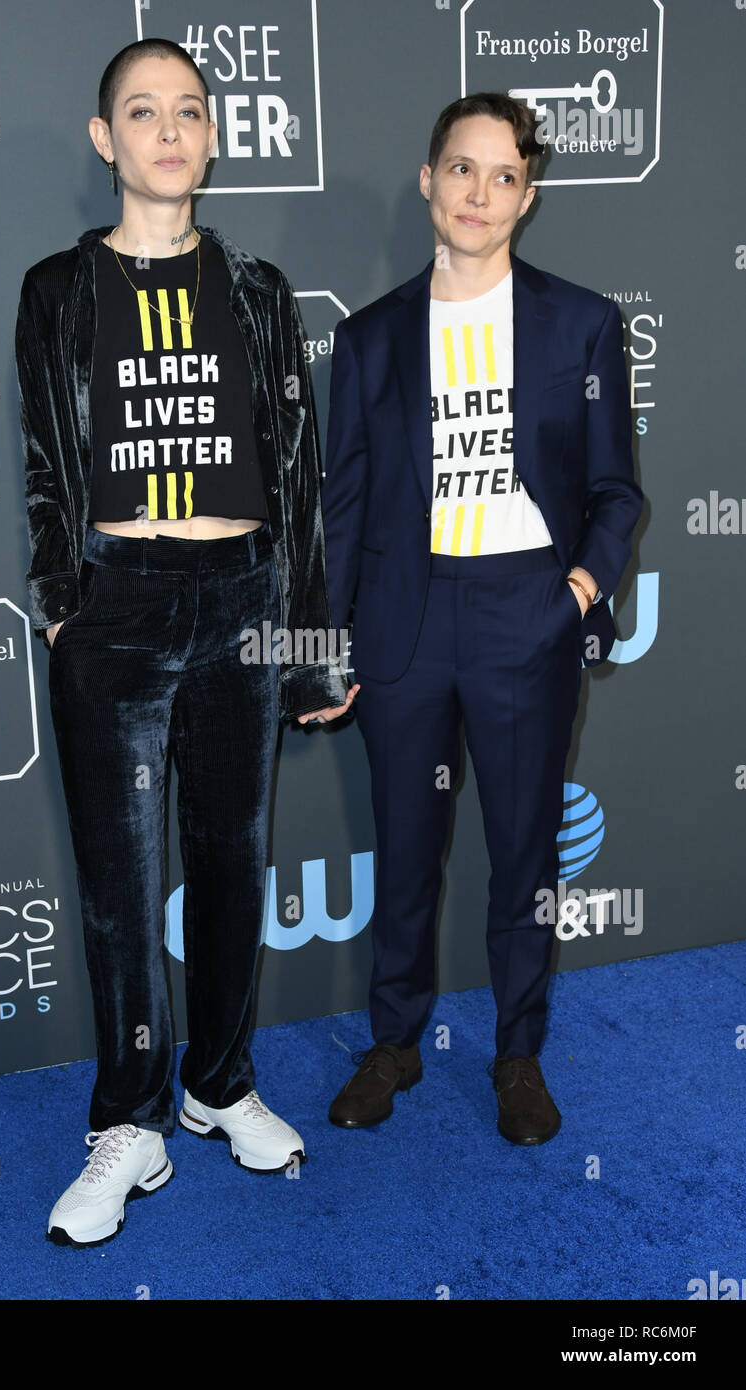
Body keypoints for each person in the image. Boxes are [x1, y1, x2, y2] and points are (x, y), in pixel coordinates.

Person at [14, 38, 353, 1249]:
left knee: (229, 861)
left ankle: (217, 1083)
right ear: (106, 140)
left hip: (245, 593)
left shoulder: (258, 290)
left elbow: (303, 479)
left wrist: (309, 646)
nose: (169, 129)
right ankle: (131, 1122)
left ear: (210, 139)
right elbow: (49, 467)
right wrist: (64, 601)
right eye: (141, 112)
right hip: (119, 603)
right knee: (119, 886)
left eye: (190, 111)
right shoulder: (56, 289)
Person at [321, 92, 643, 1143]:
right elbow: (343, 505)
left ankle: (516, 1054)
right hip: (403, 623)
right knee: (404, 851)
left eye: (502, 175)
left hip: (524, 615)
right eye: (460, 169)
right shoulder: (367, 340)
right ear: (427, 179)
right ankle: (394, 1043)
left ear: (527, 195)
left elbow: (615, 492)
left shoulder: (580, 321)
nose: (478, 192)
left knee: (524, 857)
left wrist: (574, 598)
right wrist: (328, 646)